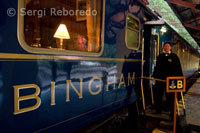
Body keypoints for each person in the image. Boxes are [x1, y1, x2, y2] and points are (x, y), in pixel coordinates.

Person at [153, 42, 183, 117]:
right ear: (163, 47)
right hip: (160, 80)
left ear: (170, 47)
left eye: (168, 46)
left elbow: (178, 68)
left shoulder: (174, 57)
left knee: (170, 97)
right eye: (165, 46)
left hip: (171, 81)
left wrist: (179, 79)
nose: (166, 47)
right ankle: (158, 110)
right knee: (158, 96)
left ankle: (172, 113)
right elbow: (157, 68)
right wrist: (155, 78)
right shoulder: (160, 56)